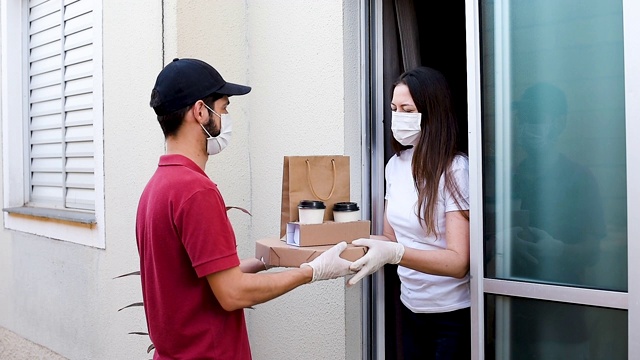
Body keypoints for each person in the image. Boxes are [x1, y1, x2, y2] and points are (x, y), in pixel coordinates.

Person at [136, 58, 353, 359]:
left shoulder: (157, 187)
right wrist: (312, 272)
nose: (225, 118)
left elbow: (204, 280)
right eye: (223, 108)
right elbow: (232, 293)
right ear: (200, 112)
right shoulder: (196, 191)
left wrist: (267, 261)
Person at [348, 66, 471, 359]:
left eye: (407, 109)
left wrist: (395, 254)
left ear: (432, 112)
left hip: (450, 315)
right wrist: (342, 247)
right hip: (410, 305)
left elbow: (458, 263)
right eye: (394, 108)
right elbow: (391, 238)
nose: (398, 116)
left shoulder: (455, 169)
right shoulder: (396, 165)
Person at [508, 83, 606, 359]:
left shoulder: (579, 179)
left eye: (535, 118)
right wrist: (502, 242)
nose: (527, 126)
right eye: (523, 118)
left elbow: (593, 252)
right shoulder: (510, 177)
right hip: (513, 322)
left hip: (564, 326)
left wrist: (557, 250)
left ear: (559, 123)